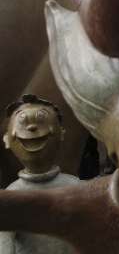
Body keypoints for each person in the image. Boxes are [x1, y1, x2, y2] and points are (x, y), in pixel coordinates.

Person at [1, 94, 80, 254]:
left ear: (61, 133)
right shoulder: (10, 197)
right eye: (22, 120)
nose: (32, 128)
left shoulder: (78, 188)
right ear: (7, 140)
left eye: (41, 118)